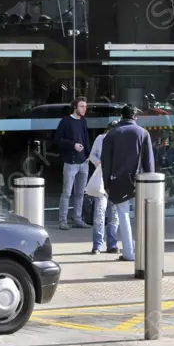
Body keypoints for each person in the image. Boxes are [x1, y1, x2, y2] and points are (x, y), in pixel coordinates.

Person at [100, 105, 156, 263]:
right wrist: (150, 181)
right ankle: (147, 250)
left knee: (123, 216)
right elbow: (149, 161)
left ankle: (129, 253)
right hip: (140, 180)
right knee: (143, 216)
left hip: (118, 180)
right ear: (135, 117)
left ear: (121, 116)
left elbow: (106, 162)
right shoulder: (143, 133)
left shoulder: (112, 134)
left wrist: (106, 183)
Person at [55, 96, 91, 230]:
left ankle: (78, 218)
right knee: (67, 192)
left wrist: (88, 155)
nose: (84, 109)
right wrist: (72, 145)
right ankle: (63, 220)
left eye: (85, 107)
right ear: (75, 107)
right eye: (82, 106)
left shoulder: (83, 121)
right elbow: (58, 139)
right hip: (71, 162)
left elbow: (86, 138)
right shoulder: (66, 121)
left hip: (83, 162)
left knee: (80, 193)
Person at [88, 121, 120, 255]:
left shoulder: (120, 140)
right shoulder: (101, 139)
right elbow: (92, 155)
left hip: (115, 180)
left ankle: (112, 244)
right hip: (102, 179)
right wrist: (98, 163)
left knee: (114, 215)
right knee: (100, 214)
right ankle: (97, 245)